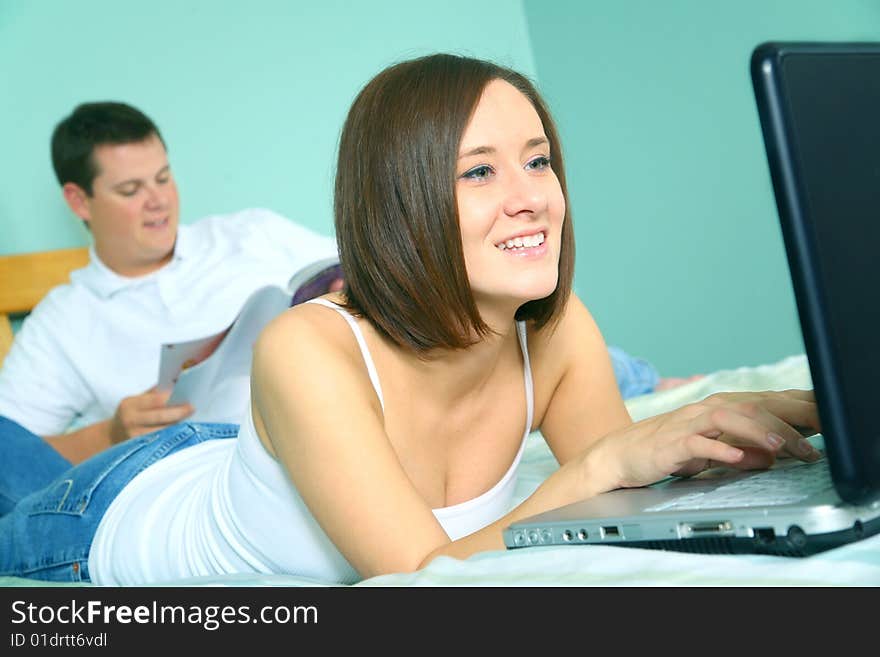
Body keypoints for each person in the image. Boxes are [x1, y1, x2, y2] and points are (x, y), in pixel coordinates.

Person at [0, 54, 822, 585]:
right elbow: (418, 578)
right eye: (479, 171)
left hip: (273, 449)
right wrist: (602, 463)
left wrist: (745, 430)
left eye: (538, 159)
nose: (531, 193)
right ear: (402, 203)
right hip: (114, 504)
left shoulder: (556, 327)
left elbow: (633, 489)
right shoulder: (305, 347)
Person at [0, 102, 339, 470]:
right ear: (79, 201)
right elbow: (10, 460)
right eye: (131, 190)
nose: (158, 201)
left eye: (163, 178)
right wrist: (109, 435)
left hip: (331, 427)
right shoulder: (63, 322)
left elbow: (363, 272)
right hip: (200, 482)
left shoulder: (251, 234)